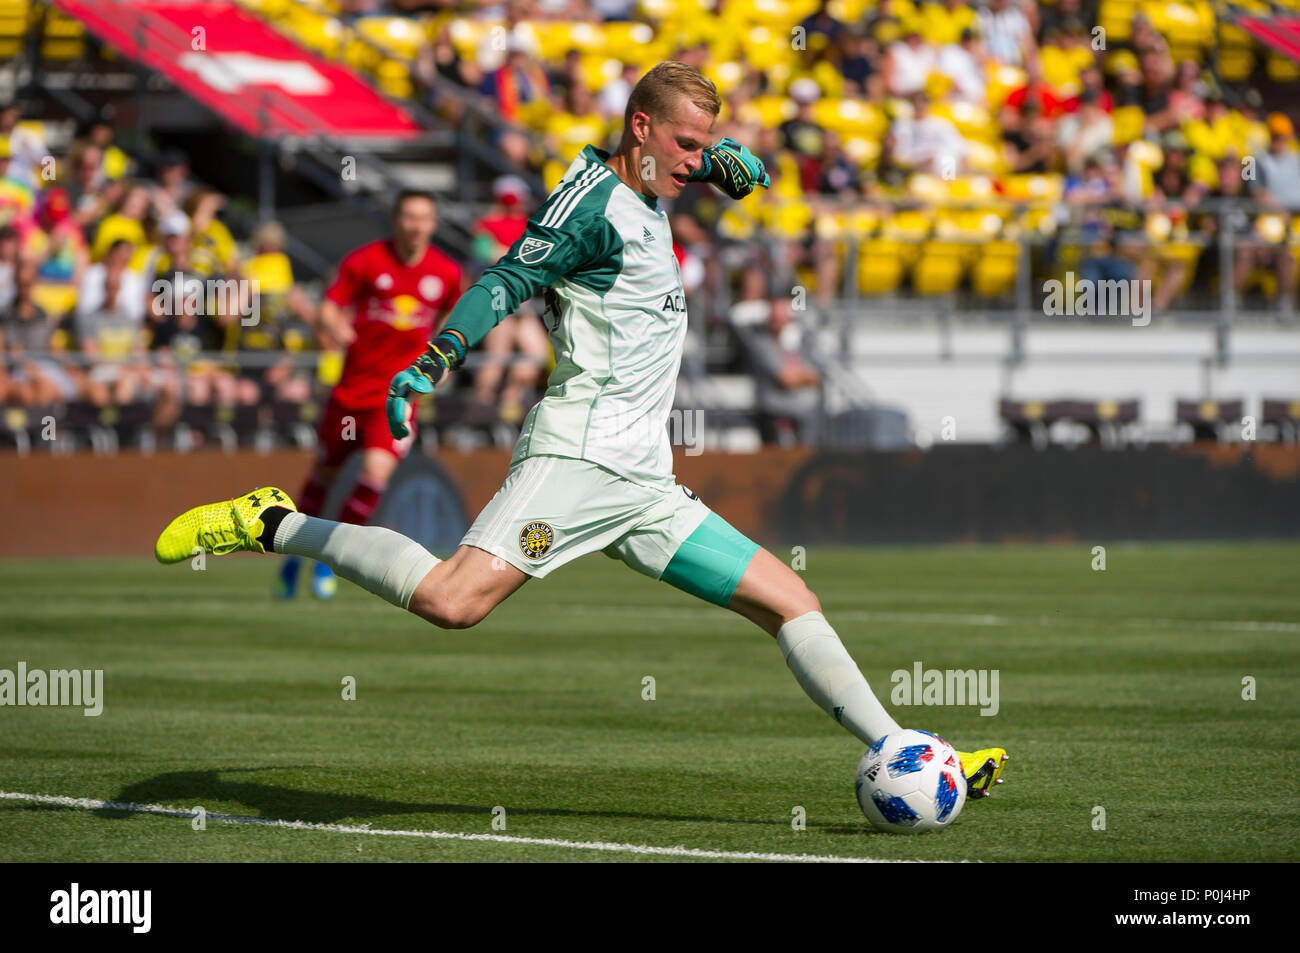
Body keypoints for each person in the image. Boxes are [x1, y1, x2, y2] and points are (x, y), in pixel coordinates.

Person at [155, 62, 1009, 799]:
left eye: (700, 145)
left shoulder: (650, 179)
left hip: (642, 479)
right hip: (577, 455)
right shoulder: (589, 201)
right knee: (453, 602)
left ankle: (907, 752)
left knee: (792, 602)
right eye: (683, 143)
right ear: (641, 129)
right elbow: (508, 278)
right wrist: (435, 357)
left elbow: (674, 166)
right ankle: (274, 523)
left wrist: (718, 167)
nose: (693, 159)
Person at [276, 190, 463, 599]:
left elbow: (456, 315)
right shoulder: (366, 261)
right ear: (396, 220)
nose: (416, 226)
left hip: (396, 400)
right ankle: (291, 556)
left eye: (424, 218)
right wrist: (332, 325)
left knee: (375, 475)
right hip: (349, 396)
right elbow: (331, 302)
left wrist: (443, 357)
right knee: (322, 479)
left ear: (433, 224)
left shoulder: (445, 272)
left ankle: (329, 561)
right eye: (409, 217)